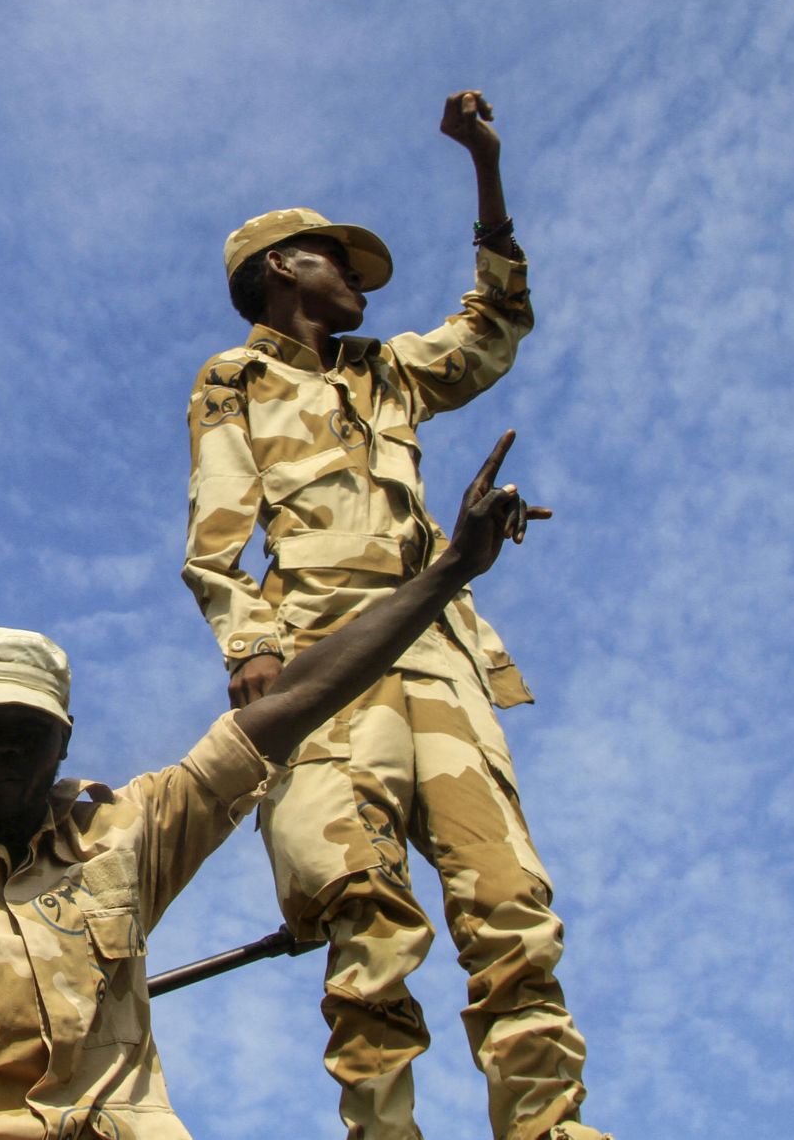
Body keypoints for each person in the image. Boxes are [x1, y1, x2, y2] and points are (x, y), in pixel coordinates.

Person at [0, 433, 543, 1140]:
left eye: (27, 735)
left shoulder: (130, 833)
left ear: (66, 742)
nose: (1, 754)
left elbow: (305, 697)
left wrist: (446, 574)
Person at [180, 92, 604, 1140]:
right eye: (339, 263)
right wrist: (252, 648)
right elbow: (216, 543)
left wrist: (487, 173)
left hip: (443, 660)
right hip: (326, 668)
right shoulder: (235, 380)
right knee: (364, 911)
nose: (361, 281)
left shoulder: (390, 375)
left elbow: (494, 326)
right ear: (283, 269)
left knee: (508, 907)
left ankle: (548, 1127)